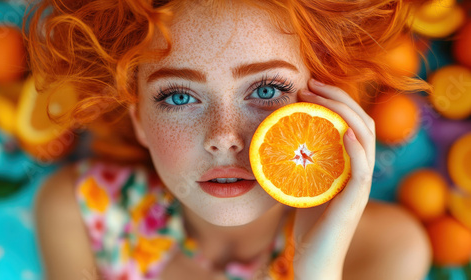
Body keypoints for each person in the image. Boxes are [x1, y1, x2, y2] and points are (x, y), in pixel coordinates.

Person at [27, 0, 432, 279]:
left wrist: (316, 271)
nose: (223, 138)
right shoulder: (77, 212)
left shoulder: (387, 251)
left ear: (328, 102)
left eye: (267, 90)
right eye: (179, 96)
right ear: (139, 121)